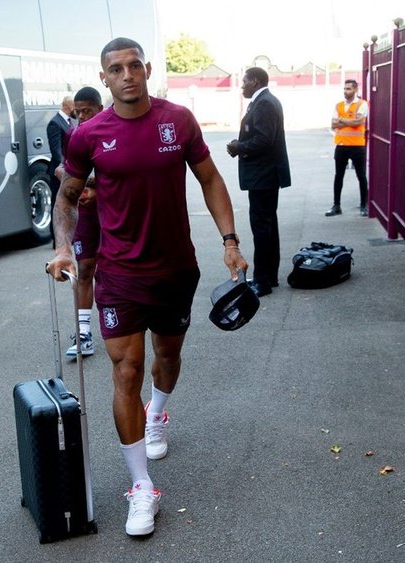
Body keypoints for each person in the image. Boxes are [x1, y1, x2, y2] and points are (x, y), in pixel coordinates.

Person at [46, 38, 248, 538]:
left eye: (135, 65)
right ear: (105, 76)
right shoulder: (89, 134)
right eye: (116, 68)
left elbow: (210, 179)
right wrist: (64, 246)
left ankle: (158, 411)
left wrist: (229, 240)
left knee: (168, 357)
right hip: (118, 275)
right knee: (126, 369)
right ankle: (141, 487)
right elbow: (67, 197)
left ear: (148, 69)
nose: (128, 74)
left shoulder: (177, 120)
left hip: (176, 269)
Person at [226, 67, 291, 298]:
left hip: (264, 176)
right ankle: (269, 276)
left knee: (262, 229)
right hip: (265, 175)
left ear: (254, 81)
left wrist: (238, 147)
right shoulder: (263, 100)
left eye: (243, 81)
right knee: (267, 227)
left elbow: (264, 139)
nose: (241, 85)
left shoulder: (264, 103)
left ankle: (263, 281)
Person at [53, 87, 104, 358]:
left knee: (109, 270)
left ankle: (120, 325)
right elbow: (65, 169)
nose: (82, 117)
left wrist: (93, 184)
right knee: (84, 268)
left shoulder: (113, 128)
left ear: (100, 107)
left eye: (87, 111)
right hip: (83, 212)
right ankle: (83, 332)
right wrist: (67, 176)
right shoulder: (75, 134)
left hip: (111, 212)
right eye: (78, 112)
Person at [327, 78, 369, 217]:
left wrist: (342, 120)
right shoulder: (338, 105)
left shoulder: (362, 104)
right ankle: (336, 205)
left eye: (349, 89)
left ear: (355, 90)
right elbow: (333, 124)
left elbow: (358, 122)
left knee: (361, 176)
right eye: (344, 89)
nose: (346, 91)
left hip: (357, 146)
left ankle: (364, 205)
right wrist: (348, 122)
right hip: (341, 145)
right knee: (338, 176)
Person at [46, 95, 75, 239]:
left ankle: (67, 234)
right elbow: (56, 151)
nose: (75, 109)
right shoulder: (55, 123)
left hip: (68, 169)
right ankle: (56, 238)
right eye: (74, 106)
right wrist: (65, 168)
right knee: (58, 204)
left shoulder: (69, 121)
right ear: (68, 106)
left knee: (68, 203)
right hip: (59, 171)